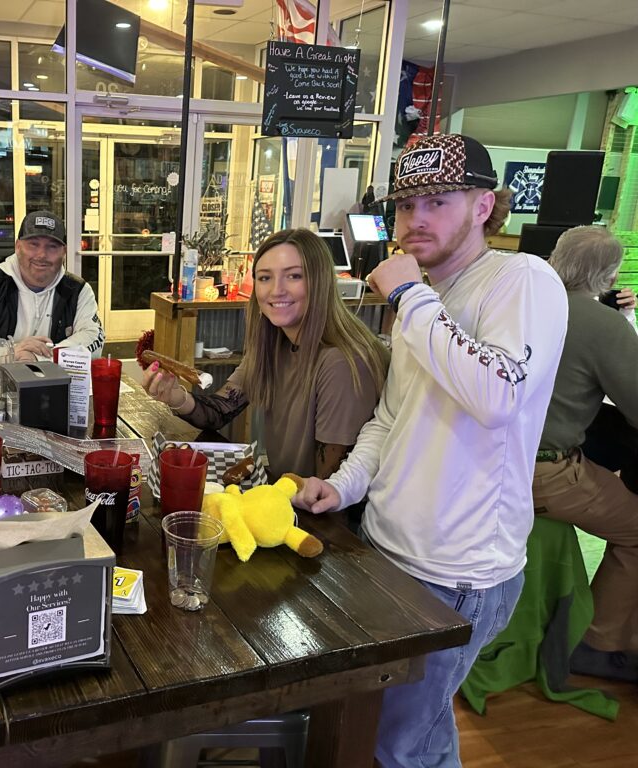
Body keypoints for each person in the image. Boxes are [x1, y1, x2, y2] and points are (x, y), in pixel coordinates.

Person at [294, 133, 568, 767]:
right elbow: (393, 418)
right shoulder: (424, 302)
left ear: (483, 205)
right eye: (405, 205)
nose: (415, 219)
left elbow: (498, 395)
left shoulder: (522, 279)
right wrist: (343, 485)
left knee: (402, 745)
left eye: (438, 201)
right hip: (386, 548)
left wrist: (409, 295)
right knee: (379, 729)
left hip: (457, 571)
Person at [143, 228, 389, 480]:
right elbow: (220, 411)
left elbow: (327, 486)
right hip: (283, 491)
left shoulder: (342, 362)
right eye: (264, 278)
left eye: (294, 276)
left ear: (321, 282)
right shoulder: (272, 344)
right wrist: (176, 397)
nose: (276, 290)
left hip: (310, 502)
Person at [534, 226, 638, 682]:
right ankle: (599, 643)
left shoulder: (524, 301)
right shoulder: (603, 324)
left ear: (555, 257)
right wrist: (620, 323)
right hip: (544, 471)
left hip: (491, 459)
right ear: (611, 275)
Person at [0, 210, 105, 361]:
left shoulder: (78, 291)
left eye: (52, 246)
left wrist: (41, 357)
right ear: (18, 247)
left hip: (56, 384)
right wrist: (9, 353)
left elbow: (93, 338)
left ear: (64, 252)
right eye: (33, 244)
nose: (42, 254)